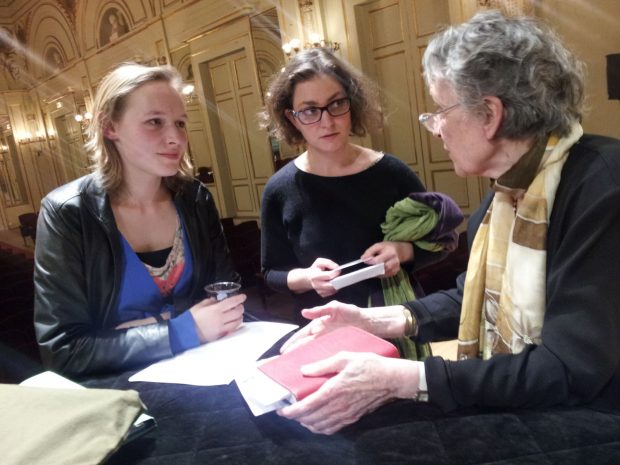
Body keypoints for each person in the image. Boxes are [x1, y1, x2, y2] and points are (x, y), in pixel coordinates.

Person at [276, 10, 620, 435]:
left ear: (490, 115)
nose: (435, 129)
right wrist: (377, 319)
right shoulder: (504, 196)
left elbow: (570, 368)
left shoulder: (604, 189)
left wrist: (407, 379)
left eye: (440, 110)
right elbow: (467, 297)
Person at [34, 63, 245, 376]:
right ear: (110, 127)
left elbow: (226, 298)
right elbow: (63, 350)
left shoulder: (195, 198)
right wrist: (180, 330)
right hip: (121, 390)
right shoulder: (68, 213)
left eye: (180, 123)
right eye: (154, 122)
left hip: (208, 371)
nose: (175, 138)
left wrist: (143, 326)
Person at [259, 48, 459, 330]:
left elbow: (444, 241)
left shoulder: (391, 172)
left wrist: (402, 251)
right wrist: (307, 277)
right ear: (292, 118)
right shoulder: (279, 189)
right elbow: (271, 273)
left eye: (336, 104)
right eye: (310, 111)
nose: (326, 121)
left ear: (351, 104)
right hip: (320, 327)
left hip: (392, 322)